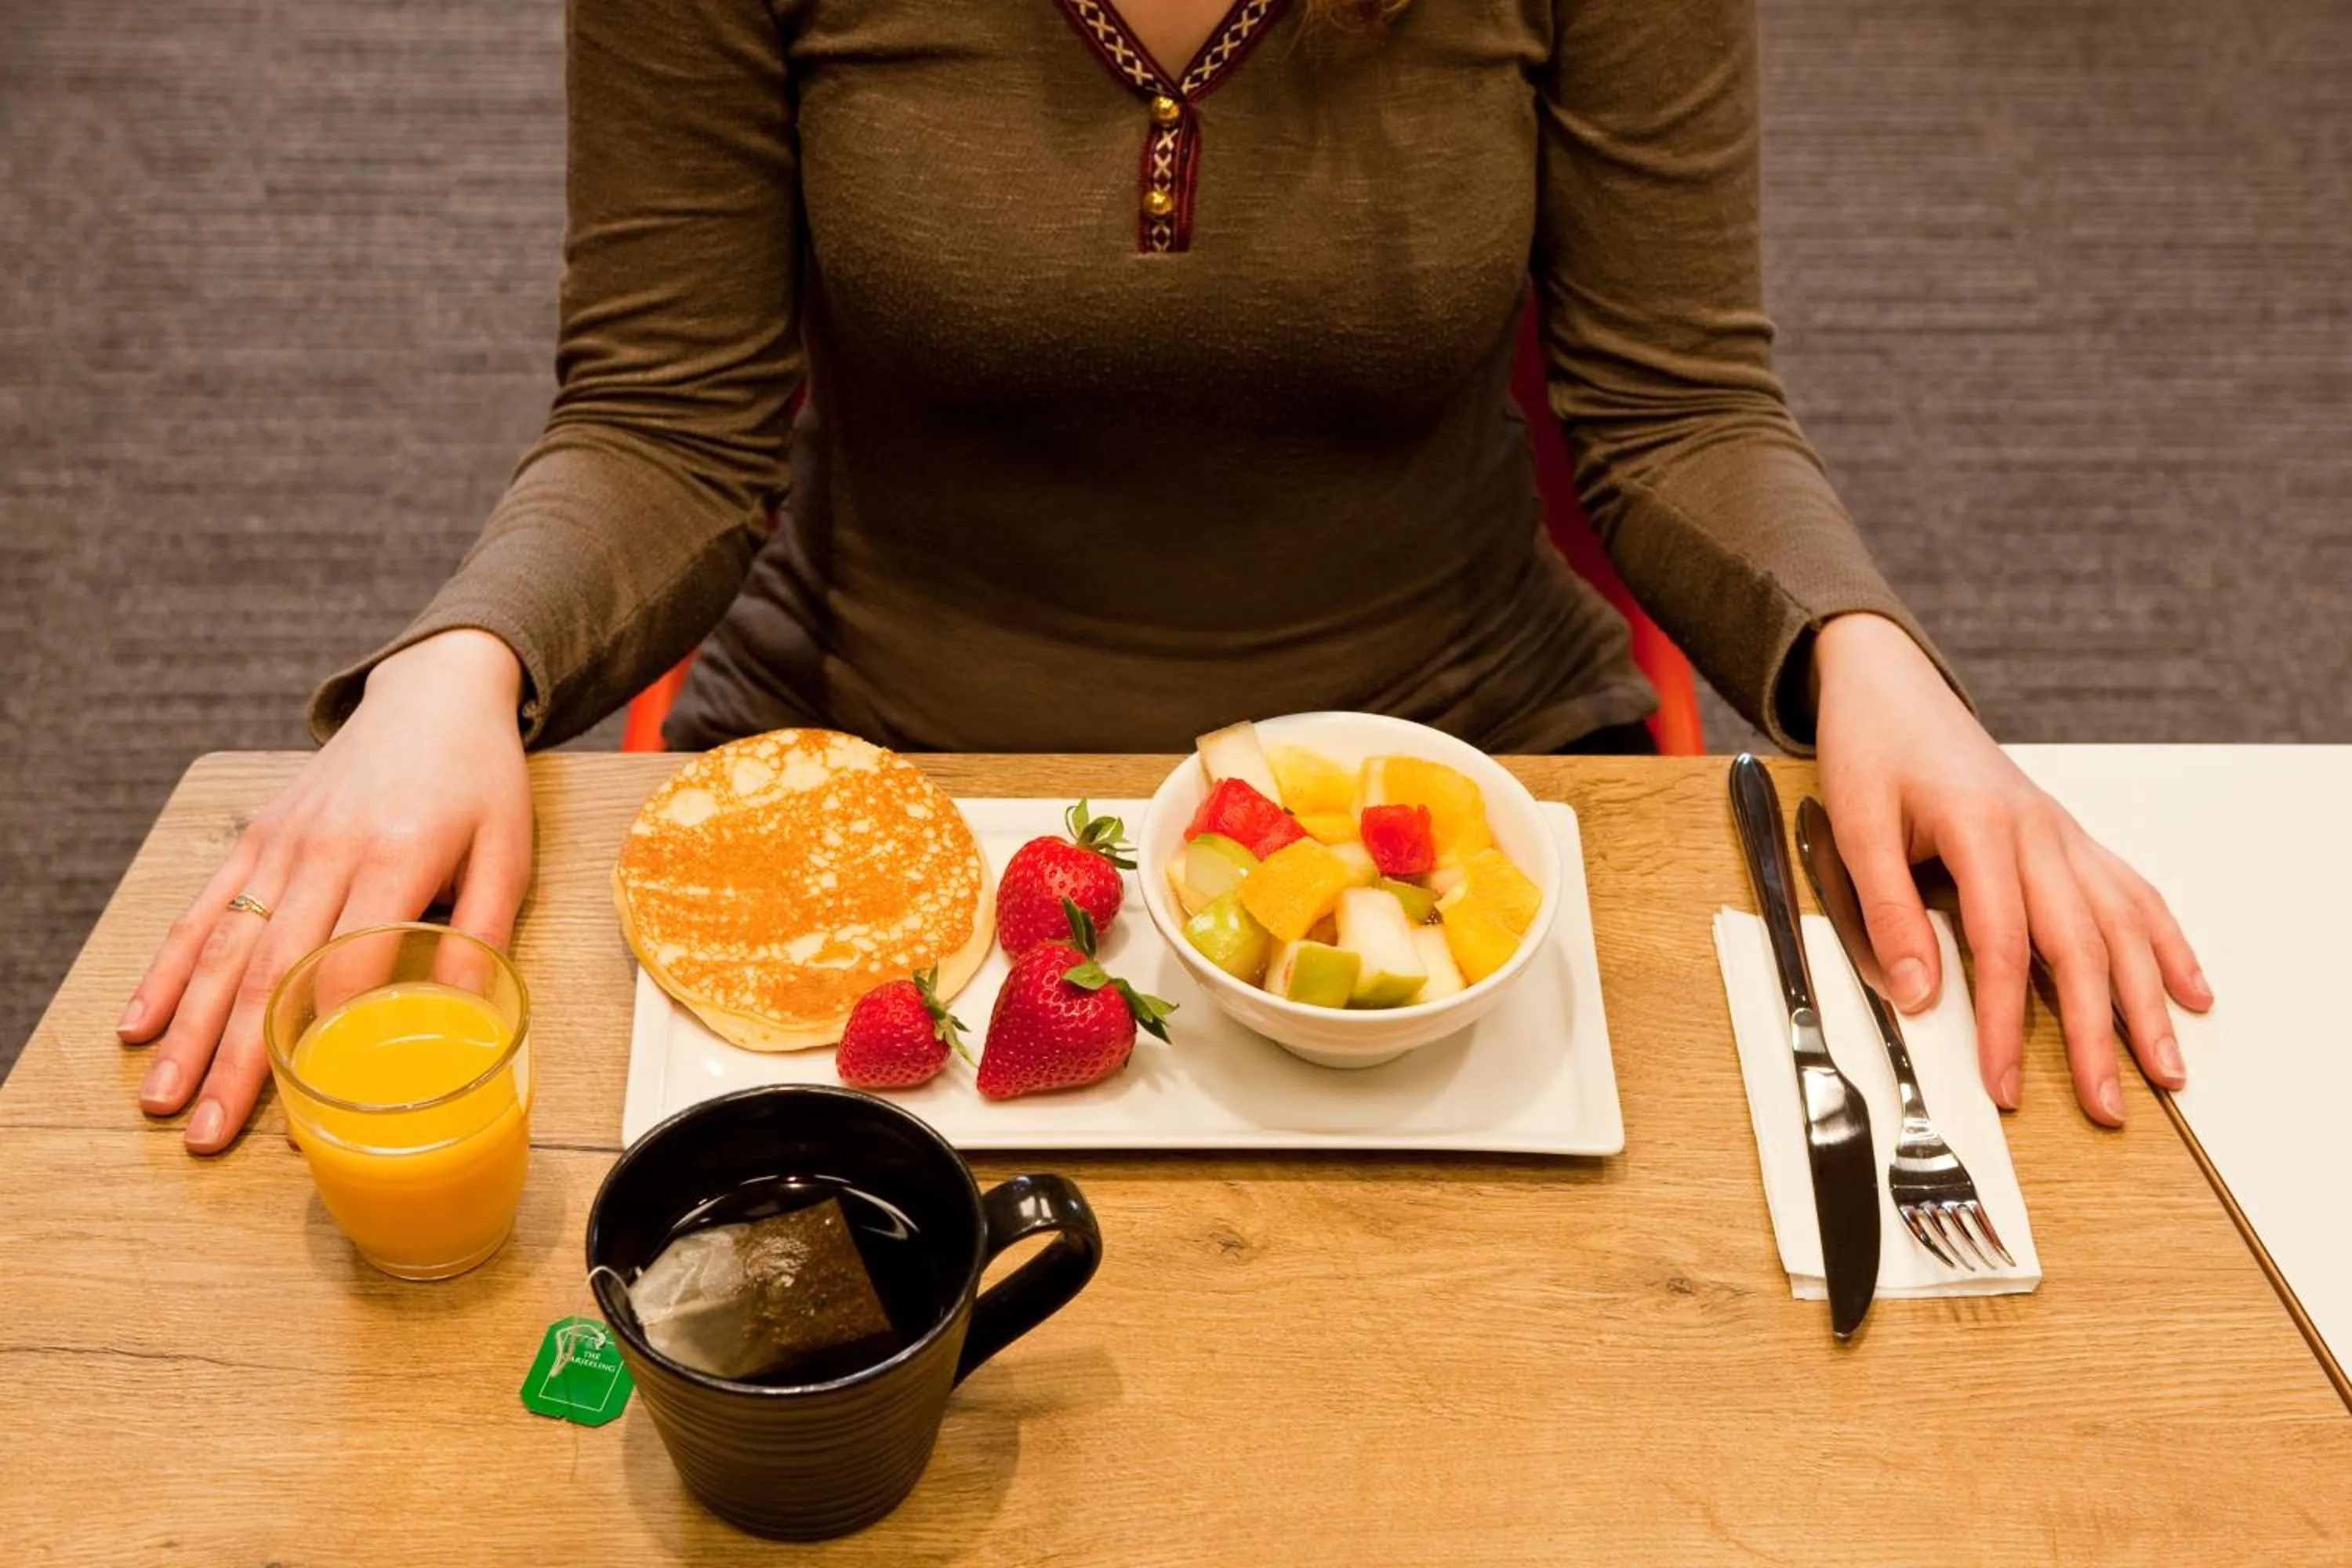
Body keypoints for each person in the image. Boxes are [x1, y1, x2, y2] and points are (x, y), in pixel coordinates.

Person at [119, 0, 2209, 1153]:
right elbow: (667, 420)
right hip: (873, 798)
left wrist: (1866, 658)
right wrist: (457, 668)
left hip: (1460, 795)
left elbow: (1676, 409)